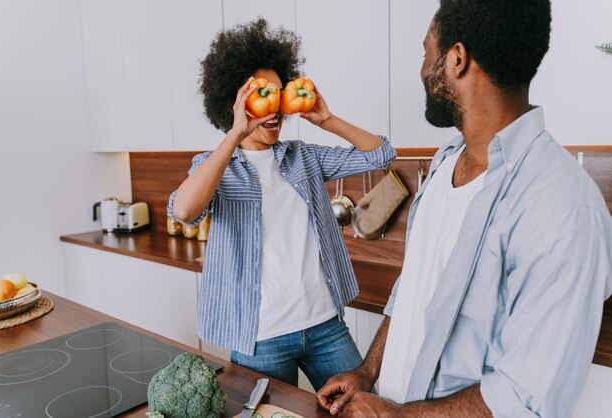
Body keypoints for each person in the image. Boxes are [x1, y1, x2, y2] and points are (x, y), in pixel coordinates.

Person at [317, 0, 612, 416]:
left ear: (456, 59)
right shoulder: (444, 163)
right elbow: (414, 292)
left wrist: (395, 415)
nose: (422, 69)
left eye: (426, 54)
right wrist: (367, 372)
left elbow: (527, 398)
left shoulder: (564, 207)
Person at [167, 19, 396, 391]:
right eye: (262, 96)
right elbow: (184, 211)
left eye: (278, 93)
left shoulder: (302, 157)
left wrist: (328, 119)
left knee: (365, 408)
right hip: (262, 338)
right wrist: (236, 132)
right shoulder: (215, 167)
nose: (274, 108)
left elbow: (382, 155)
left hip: (325, 326)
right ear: (236, 103)